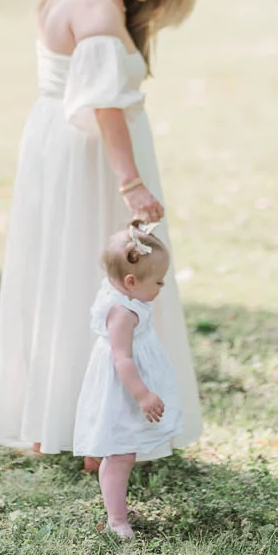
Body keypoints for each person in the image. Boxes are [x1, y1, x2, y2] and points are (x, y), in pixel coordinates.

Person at [0, 0, 202, 457]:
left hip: (53, 139)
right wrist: (131, 184)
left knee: (57, 271)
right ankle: (99, 427)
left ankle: (51, 419)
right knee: (104, 278)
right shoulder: (99, 12)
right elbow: (105, 106)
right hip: (92, 158)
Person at [74, 221, 182, 537]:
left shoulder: (121, 290)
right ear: (131, 281)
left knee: (124, 450)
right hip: (122, 388)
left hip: (130, 382)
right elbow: (122, 359)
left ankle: (117, 507)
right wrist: (143, 395)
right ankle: (116, 520)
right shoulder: (122, 314)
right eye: (159, 282)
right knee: (120, 452)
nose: (162, 287)